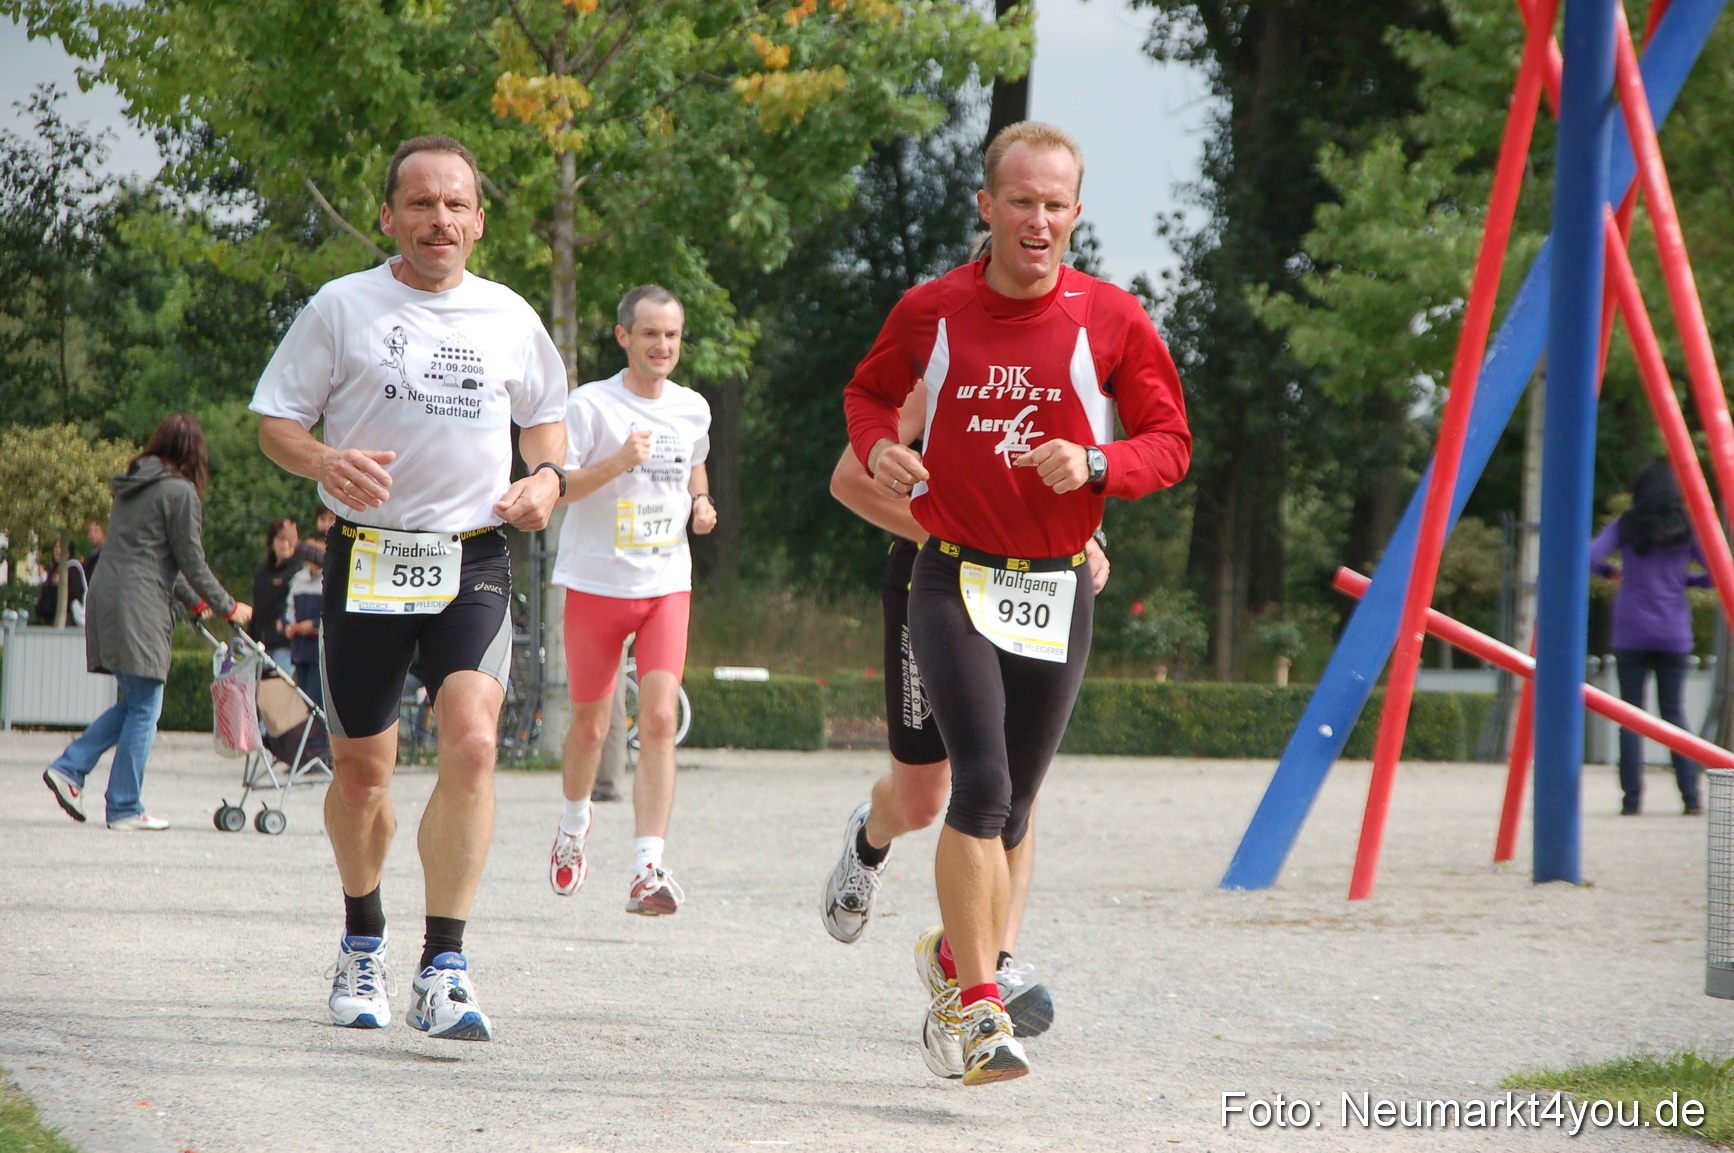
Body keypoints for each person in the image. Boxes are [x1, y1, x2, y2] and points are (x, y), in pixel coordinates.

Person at [842, 121, 1191, 1084]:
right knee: (980, 788)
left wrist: (1097, 463)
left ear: (1076, 213)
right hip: (951, 575)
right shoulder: (934, 309)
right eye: (1021, 202)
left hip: (1054, 585)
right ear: (986, 207)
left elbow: (1170, 441)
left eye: (1056, 205)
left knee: (1020, 806)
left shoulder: (1112, 317)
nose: (1038, 221)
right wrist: (879, 446)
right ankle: (976, 1008)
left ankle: (962, 962)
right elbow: (867, 395)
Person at [251, 134, 567, 1042]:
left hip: (473, 559)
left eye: (456, 205)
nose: (440, 220)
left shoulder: (508, 314)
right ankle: (362, 938)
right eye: (420, 205)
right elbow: (276, 418)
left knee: (473, 741)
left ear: (478, 220)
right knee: (362, 774)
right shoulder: (342, 307)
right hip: (370, 559)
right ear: (389, 216)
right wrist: (322, 458)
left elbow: (547, 416)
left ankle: (445, 963)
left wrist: (544, 481)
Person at [820, 381, 1111, 1047]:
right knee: (923, 801)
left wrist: (1088, 537)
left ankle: (988, 965)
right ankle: (868, 841)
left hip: (1035, 586)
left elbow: (1068, 481)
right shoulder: (939, 373)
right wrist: (962, 539)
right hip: (937, 582)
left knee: (1009, 787)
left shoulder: (1066, 371)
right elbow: (849, 481)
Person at [546, 284, 715, 915]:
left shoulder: (693, 407)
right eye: (650, 334)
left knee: (662, 720)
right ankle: (571, 829)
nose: (663, 345)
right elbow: (558, 487)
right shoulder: (590, 406)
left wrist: (700, 502)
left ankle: (647, 868)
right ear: (624, 337)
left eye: (671, 335)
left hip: (665, 583)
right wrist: (619, 461)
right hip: (597, 584)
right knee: (591, 728)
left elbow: (695, 463)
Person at [42, 414, 254, 830]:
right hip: (138, 604)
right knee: (145, 707)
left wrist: (194, 603)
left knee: (136, 702)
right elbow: (190, 559)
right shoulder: (180, 492)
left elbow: (159, 557)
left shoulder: (134, 485)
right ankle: (122, 806)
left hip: (108, 595)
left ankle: (71, 769)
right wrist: (230, 607)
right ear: (194, 452)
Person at [1591, 461, 1713, 816]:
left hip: (1631, 630)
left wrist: (1611, 572)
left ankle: (1631, 800)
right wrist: (1686, 582)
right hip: (1673, 631)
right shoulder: (1687, 527)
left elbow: (1589, 556)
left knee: (1631, 714)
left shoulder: (1627, 526)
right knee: (1674, 712)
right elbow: (1719, 571)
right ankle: (1690, 798)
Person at [251, 518, 300, 667]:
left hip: (284, 644)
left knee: (279, 686)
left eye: (289, 539)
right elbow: (258, 609)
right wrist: (251, 638)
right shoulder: (263, 573)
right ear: (271, 541)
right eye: (280, 539)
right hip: (261, 643)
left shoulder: (299, 570)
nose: (285, 544)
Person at [285, 540, 325, 710]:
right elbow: (289, 609)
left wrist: (314, 625)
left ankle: (317, 736)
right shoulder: (298, 579)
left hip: (319, 650)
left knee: (316, 701)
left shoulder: (329, 580)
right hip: (300, 649)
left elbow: (332, 614)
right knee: (303, 700)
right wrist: (290, 626)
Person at [32, 540, 88, 626]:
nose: (57, 550)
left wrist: (60, 585)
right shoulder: (52, 571)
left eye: (61, 547)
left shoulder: (73, 570)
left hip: (66, 621)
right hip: (48, 619)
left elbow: (75, 594)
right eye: (56, 547)